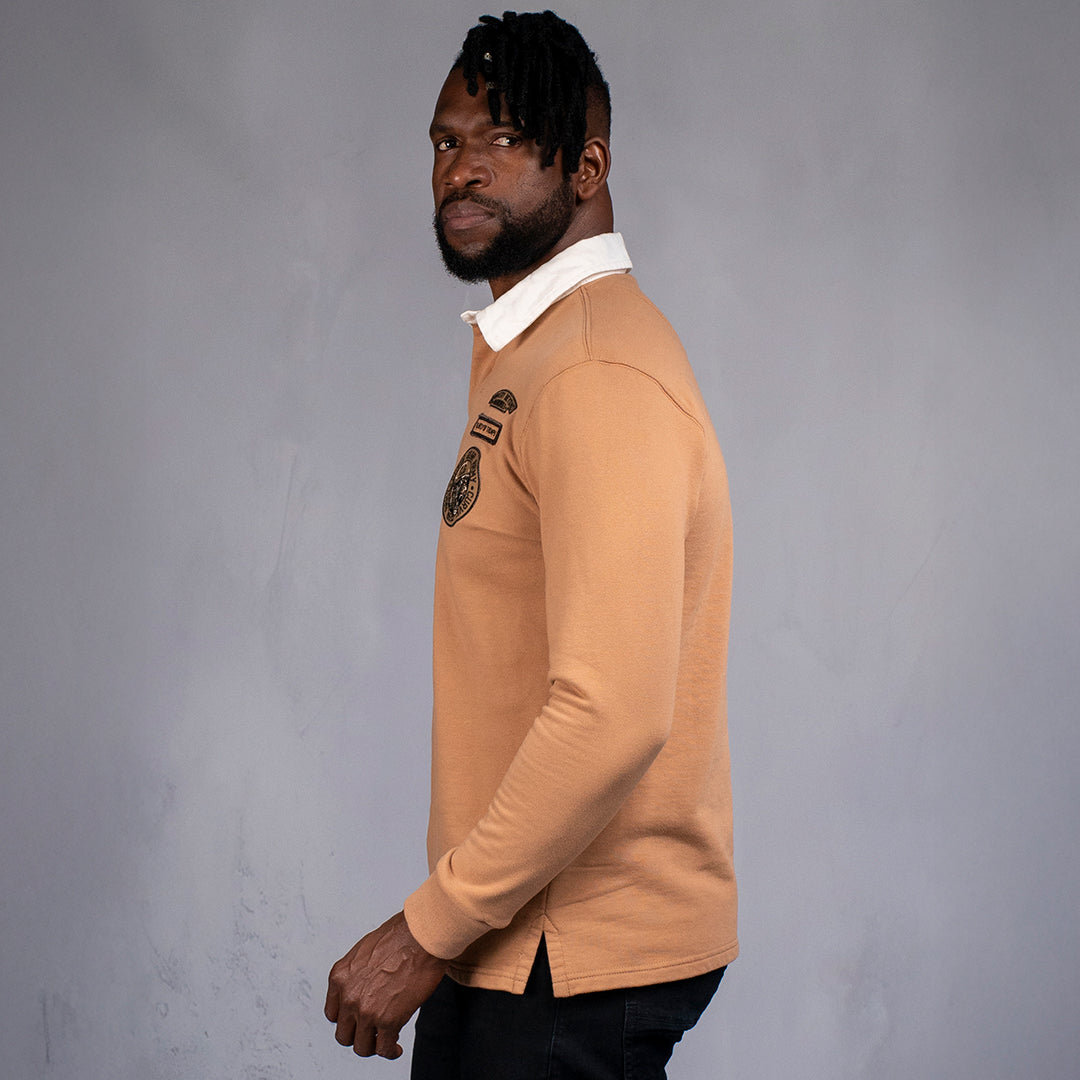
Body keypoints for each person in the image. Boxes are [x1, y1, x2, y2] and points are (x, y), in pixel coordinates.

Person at [325, 11, 737, 1077]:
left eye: (503, 138)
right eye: (445, 140)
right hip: (518, 944)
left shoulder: (595, 371)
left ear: (587, 167)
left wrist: (426, 929)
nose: (461, 168)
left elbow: (612, 711)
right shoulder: (536, 352)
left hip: (570, 960)